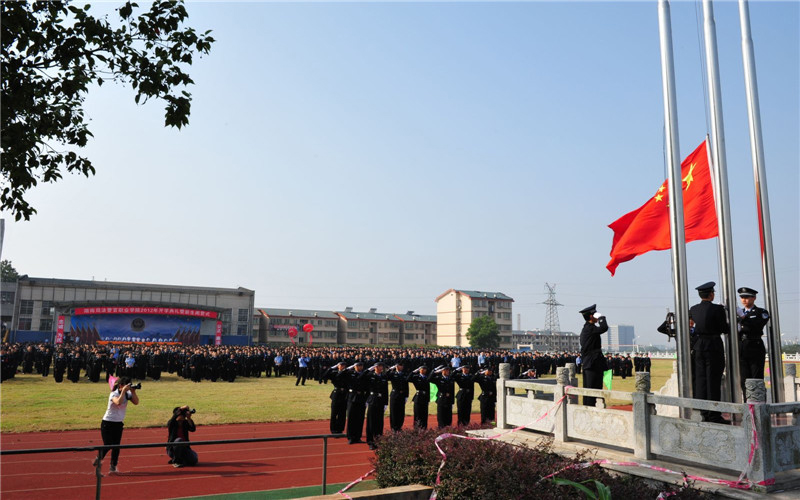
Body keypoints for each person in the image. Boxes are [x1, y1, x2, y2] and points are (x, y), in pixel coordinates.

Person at [689, 281, 730, 424]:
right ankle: (714, 416)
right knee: (713, 381)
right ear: (711, 294)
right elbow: (724, 328)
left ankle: (703, 413)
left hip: (699, 346)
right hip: (713, 346)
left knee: (701, 381)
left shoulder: (693, 309)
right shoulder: (717, 309)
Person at [94, 376, 139, 473]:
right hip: (107, 423)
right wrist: (123, 391)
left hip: (118, 423)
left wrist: (133, 392)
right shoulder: (113, 394)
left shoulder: (128, 394)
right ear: (120, 385)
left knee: (116, 446)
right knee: (108, 444)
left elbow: (136, 402)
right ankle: (99, 458)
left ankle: (113, 466)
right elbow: (118, 402)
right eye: (127, 385)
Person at [736, 286, 770, 397]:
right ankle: (748, 405)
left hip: (754, 346)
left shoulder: (761, 312)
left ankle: (758, 405)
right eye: (742, 297)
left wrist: (743, 317)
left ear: (754, 298)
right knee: (744, 379)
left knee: (756, 378)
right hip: (742, 346)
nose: (744, 300)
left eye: (747, 297)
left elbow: (756, 325)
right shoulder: (737, 314)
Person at [579, 304, 608, 407]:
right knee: (592, 390)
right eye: (595, 314)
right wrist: (601, 318)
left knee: (591, 390)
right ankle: (590, 411)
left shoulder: (589, 328)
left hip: (592, 363)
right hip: (592, 363)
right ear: (591, 316)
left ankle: (590, 409)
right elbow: (604, 328)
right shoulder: (589, 328)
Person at [365, 363, 388, 450]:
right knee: (371, 421)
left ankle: (378, 440)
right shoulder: (370, 375)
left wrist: (386, 403)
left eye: (381, 366)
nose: (380, 368)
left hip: (381, 400)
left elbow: (385, 390)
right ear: (375, 367)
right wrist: (369, 369)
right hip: (372, 400)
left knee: (379, 422)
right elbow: (362, 376)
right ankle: (370, 441)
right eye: (378, 366)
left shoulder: (383, 376)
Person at [345, 361, 369, 444]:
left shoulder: (365, 375)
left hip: (361, 397)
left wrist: (367, 399)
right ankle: (350, 437)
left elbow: (368, 388)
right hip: (352, 397)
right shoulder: (350, 374)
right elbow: (343, 373)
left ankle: (358, 437)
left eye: (361, 366)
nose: (360, 367)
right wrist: (350, 367)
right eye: (358, 366)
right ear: (354, 366)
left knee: (360, 418)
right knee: (351, 418)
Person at [322, 362, 349, 434]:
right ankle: (333, 430)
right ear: (338, 366)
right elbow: (324, 376)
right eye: (341, 365)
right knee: (334, 413)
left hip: (344, 394)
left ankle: (340, 429)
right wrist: (331, 368)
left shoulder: (347, 373)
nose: (343, 367)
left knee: (342, 414)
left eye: (344, 365)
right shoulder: (334, 373)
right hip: (336, 394)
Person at [387, 360, 410, 432]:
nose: (401, 366)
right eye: (400, 365)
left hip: (402, 395)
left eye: (402, 365)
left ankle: (399, 427)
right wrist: (390, 369)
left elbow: (407, 385)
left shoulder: (404, 374)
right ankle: (394, 428)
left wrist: (406, 395)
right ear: (396, 366)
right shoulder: (392, 374)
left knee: (401, 412)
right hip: (395, 395)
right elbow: (386, 376)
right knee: (394, 412)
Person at [409, 365, 431, 429]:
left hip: (425, 398)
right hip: (418, 398)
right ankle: (417, 428)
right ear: (419, 370)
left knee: (424, 415)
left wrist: (428, 399)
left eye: (425, 369)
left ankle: (424, 428)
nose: (424, 370)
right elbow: (408, 379)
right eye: (422, 369)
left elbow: (428, 389)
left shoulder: (427, 378)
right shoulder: (416, 377)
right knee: (417, 414)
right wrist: (413, 372)